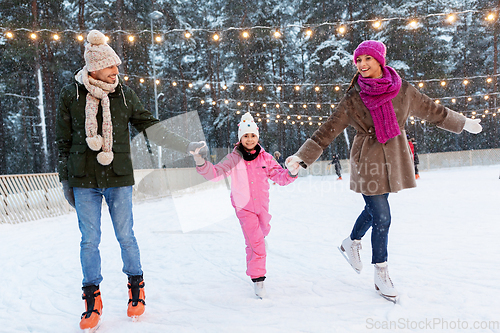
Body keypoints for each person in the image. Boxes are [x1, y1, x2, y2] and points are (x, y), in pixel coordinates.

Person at [285, 40, 482, 302]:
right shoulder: (354, 98)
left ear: (380, 60)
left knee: (375, 210)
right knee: (382, 216)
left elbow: (433, 111)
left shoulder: (404, 91)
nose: (362, 65)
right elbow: (328, 129)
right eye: (358, 61)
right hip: (367, 159)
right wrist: (302, 156)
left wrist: (464, 122)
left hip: (395, 157)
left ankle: (351, 242)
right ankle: (381, 272)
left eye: (367, 59)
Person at [56, 30, 203, 331]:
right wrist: (65, 180)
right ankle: (91, 300)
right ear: (94, 67)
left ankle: (136, 287)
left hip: (119, 176)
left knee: (126, 236)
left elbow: (151, 127)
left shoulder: (123, 94)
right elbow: (62, 142)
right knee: (89, 241)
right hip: (83, 180)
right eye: (111, 67)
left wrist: (185, 145)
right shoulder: (71, 95)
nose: (116, 72)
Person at [189, 112, 298, 298]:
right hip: (244, 207)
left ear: (257, 137)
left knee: (256, 238)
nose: (249, 139)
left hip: (262, 207)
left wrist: (292, 172)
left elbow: (280, 177)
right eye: (246, 136)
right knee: (257, 242)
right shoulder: (234, 158)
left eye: (253, 135)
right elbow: (215, 173)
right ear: (240, 138)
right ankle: (258, 279)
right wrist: (200, 161)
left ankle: (256, 256)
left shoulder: (266, 158)